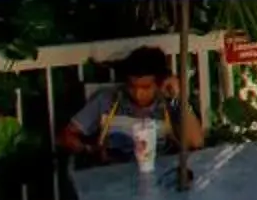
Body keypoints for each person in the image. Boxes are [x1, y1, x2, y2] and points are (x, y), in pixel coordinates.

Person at [58, 46, 206, 164]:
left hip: (161, 176)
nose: (137, 93)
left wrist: (179, 97)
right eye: (131, 86)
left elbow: (196, 142)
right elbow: (66, 136)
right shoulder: (106, 99)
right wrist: (89, 150)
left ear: (160, 83)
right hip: (113, 177)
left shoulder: (170, 103)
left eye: (146, 87)